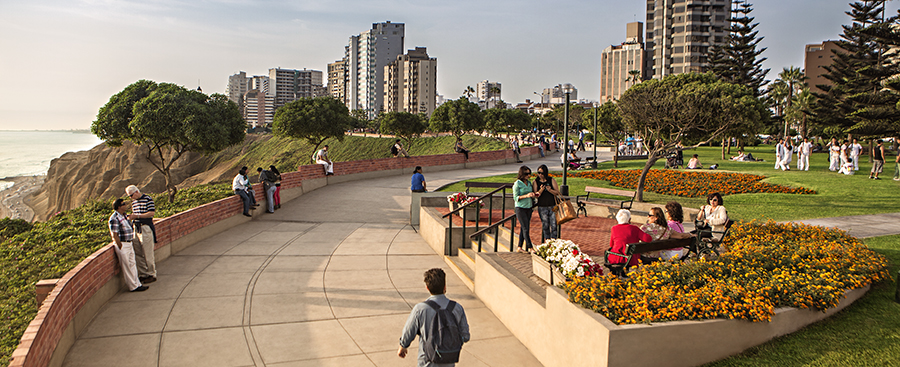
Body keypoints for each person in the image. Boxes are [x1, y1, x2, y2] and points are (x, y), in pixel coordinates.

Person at [398, 268, 470, 366]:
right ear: (445, 287)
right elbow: (465, 336)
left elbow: (409, 331)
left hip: (427, 362)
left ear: (427, 288)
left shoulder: (420, 309)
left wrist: (403, 346)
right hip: (449, 362)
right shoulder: (457, 308)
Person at [108, 198, 148, 292]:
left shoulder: (124, 216)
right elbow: (114, 234)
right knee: (127, 266)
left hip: (129, 243)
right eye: (123, 204)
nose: (125, 205)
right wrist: (120, 246)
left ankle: (137, 283)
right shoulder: (114, 218)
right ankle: (133, 286)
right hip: (123, 244)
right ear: (119, 207)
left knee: (132, 264)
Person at [125, 185, 157, 284]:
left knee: (147, 252)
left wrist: (137, 216)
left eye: (131, 195)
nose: (131, 197)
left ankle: (151, 273)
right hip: (136, 227)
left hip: (145, 227)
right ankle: (143, 274)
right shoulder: (134, 203)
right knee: (138, 252)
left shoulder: (148, 199)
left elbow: (151, 213)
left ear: (136, 192)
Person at [532, 164, 560, 242]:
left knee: (554, 225)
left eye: (542, 173)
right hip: (542, 206)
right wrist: (541, 190)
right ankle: (547, 241)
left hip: (552, 205)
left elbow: (557, 192)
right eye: (539, 173)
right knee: (545, 225)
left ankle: (554, 241)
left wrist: (550, 190)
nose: (540, 175)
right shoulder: (536, 182)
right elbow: (535, 194)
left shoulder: (551, 180)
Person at [513, 166, 536, 253]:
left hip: (529, 207)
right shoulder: (517, 184)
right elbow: (515, 197)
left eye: (529, 174)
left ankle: (519, 246)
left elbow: (532, 193)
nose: (528, 176)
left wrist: (533, 196)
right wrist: (526, 196)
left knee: (524, 227)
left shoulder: (529, 183)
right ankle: (530, 247)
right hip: (520, 208)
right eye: (526, 174)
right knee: (526, 228)